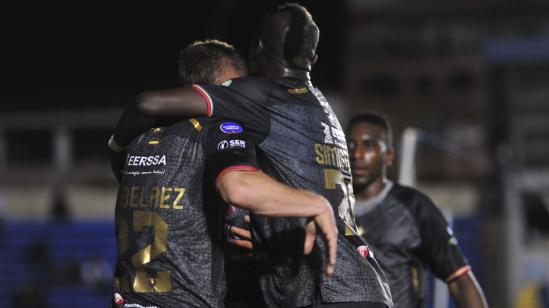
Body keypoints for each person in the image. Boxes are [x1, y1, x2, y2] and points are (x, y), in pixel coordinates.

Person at [110, 4, 392, 308]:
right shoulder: (320, 108)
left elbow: (148, 105)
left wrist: (116, 149)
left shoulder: (251, 101)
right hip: (355, 283)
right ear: (314, 59)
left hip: (332, 291)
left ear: (258, 50)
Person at [347, 112, 489, 308]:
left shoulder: (414, 207)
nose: (357, 154)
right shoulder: (328, 207)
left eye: (369, 145)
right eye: (351, 145)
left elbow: (459, 280)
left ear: (388, 155)